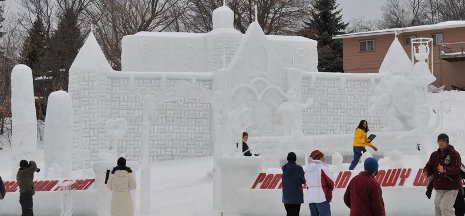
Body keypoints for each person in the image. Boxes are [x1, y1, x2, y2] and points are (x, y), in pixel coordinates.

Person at [423, 133, 462, 216]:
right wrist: (426, 170)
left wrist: (444, 170)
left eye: (443, 141)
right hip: (439, 187)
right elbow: (429, 165)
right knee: (438, 208)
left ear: (447, 142)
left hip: (452, 187)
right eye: (439, 141)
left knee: (445, 208)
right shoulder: (434, 155)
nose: (441, 143)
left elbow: (456, 168)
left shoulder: (454, 154)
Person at [305, 150, 334, 216]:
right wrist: (330, 190)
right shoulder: (323, 168)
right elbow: (331, 182)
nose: (324, 157)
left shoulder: (307, 170)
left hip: (311, 197)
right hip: (322, 197)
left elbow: (305, 181)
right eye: (323, 156)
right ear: (320, 157)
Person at [282, 152, 306, 216]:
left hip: (286, 197)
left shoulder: (284, 168)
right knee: (296, 214)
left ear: (287, 158)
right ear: (295, 158)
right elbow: (303, 181)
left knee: (289, 213)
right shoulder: (299, 168)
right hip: (296, 197)